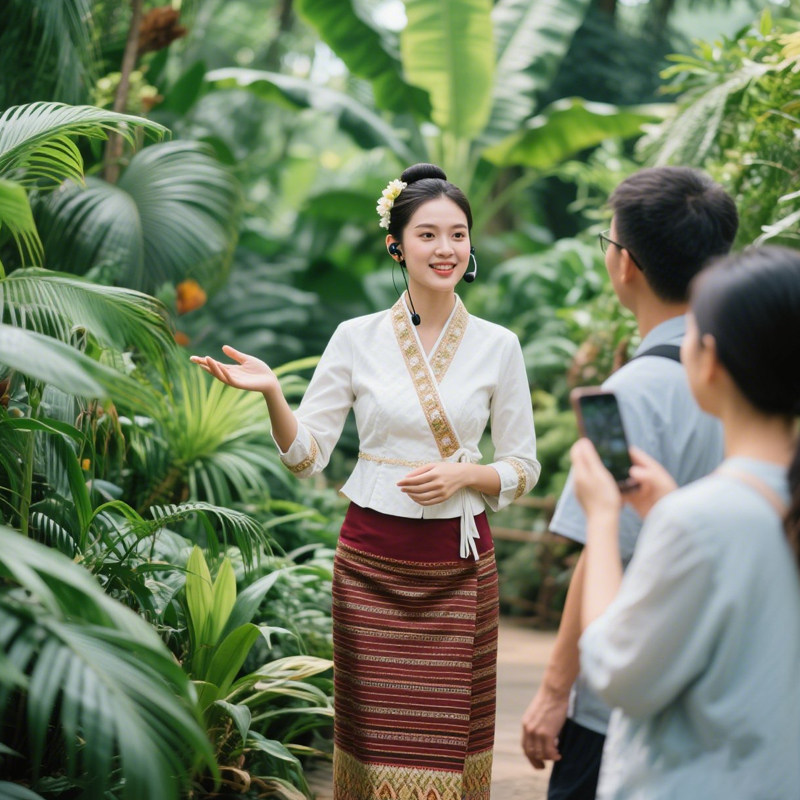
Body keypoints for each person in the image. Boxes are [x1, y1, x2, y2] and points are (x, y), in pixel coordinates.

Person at [192, 163, 540, 800]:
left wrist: (466, 472)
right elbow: (308, 458)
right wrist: (273, 392)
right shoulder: (355, 339)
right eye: (429, 235)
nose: (446, 249)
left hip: (461, 570)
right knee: (375, 744)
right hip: (371, 565)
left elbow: (523, 466)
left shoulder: (499, 345)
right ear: (397, 245)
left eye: (458, 235)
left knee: (448, 743)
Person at [521, 166, 739, 799]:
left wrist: (554, 691)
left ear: (626, 266)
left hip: (621, 701)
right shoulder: (754, 377)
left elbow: (602, 549)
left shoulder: (631, 395)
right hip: (716, 687)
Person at [572, 246, 800, 797]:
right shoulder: (716, 513)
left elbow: (615, 672)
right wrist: (669, 510)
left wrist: (603, 519)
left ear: (711, 359)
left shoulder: (702, 520)